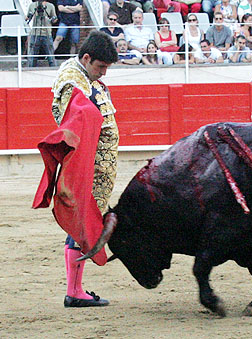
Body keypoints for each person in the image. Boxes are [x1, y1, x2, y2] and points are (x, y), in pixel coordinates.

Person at [51, 30, 118, 307]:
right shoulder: (71, 80)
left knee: (85, 224)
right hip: (86, 167)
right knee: (81, 225)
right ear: (87, 58)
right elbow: (75, 119)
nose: (103, 73)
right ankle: (74, 291)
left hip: (97, 169)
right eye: (100, 66)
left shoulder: (87, 77)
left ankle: (76, 289)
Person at [26, 0, 57, 67]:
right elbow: (27, 18)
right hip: (35, 33)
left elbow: (55, 19)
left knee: (50, 55)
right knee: (32, 56)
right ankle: (31, 70)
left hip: (47, 33)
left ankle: (54, 70)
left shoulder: (50, 6)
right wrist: (30, 15)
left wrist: (50, 19)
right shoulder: (32, 5)